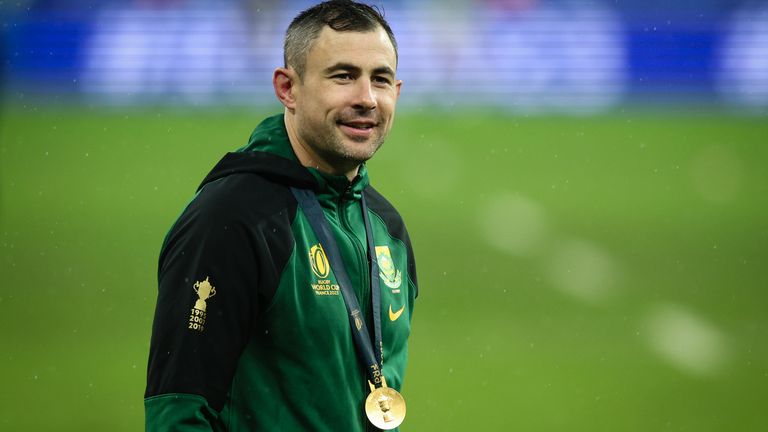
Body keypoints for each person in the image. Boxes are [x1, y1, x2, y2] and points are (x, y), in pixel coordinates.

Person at [144, 1, 418, 431]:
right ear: (287, 88)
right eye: (343, 76)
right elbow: (179, 411)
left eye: (379, 79)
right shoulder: (231, 218)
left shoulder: (387, 228)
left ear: (396, 93)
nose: (366, 98)